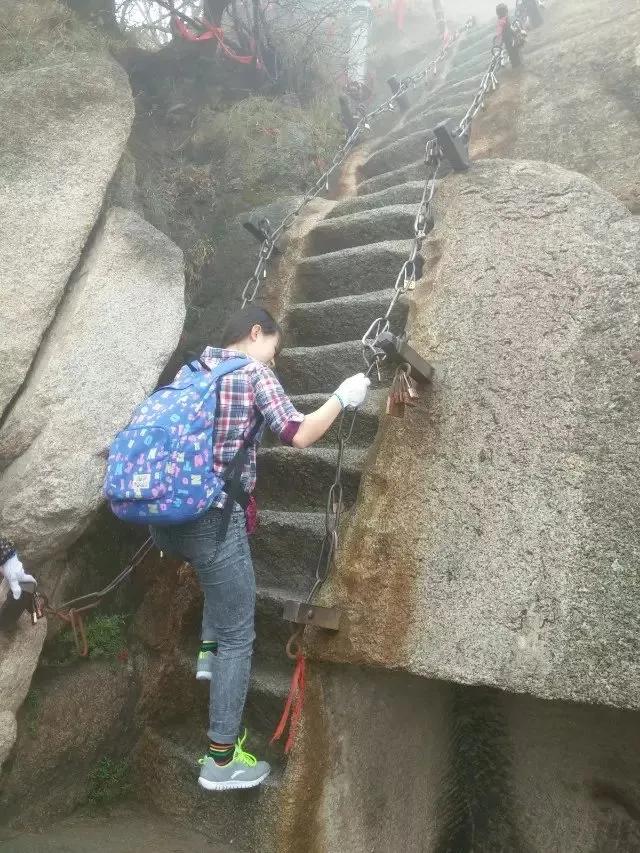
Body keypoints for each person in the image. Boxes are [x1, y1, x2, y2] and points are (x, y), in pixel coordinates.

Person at [150, 305, 370, 791]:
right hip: (211, 518)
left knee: (216, 578)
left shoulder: (192, 369)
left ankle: (207, 654)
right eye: (275, 346)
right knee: (238, 633)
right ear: (255, 333)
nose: (274, 358)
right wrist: (341, 396)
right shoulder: (252, 373)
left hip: (164, 521)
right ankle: (222, 759)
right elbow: (298, 433)